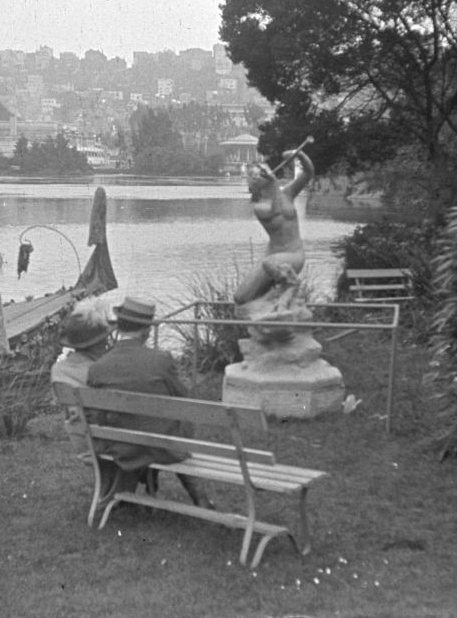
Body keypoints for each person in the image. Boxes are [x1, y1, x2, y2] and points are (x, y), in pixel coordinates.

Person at [86, 296, 214, 509]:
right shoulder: (161, 360)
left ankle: (143, 485)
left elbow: (95, 414)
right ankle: (199, 497)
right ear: (146, 330)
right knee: (179, 426)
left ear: (118, 326)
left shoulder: (97, 367)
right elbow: (182, 399)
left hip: (121, 448)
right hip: (161, 448)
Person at [233, 146, 315, 306]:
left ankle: (291, 289)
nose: (257, 175)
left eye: (261, 171)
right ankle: (270, 301)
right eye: (252, 175)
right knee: (241, 297)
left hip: (294, 254)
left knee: (270, 263)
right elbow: (275, 210)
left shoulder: (288, 193)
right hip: (272, 255)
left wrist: (299, 155)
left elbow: (308, 172)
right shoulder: (260, 207)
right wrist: (274, 183)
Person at [50, 298, 113, 452]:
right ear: (99, 342)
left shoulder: (58, 370)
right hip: (111, 445)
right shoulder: (104, 371)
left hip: (83, 444)